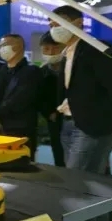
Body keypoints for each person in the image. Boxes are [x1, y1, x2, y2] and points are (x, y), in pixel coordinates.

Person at [42, 5, 112, 221]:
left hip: (92, 126)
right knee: (95, 183)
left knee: (79, 184)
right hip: (71, 123)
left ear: (77, 22)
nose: (53, 29)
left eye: (57, 23)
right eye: (50, 25)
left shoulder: (96, 48)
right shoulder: (68, 53)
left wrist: (106, 122)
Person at [0, 34, 42, 159]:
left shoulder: (31, 71)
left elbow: (21, 98)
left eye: (4, 45)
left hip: (20, 127)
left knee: (20, 161)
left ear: (18, 47)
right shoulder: (0, 71)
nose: (0, 49)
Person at [38, 31, 66, 167]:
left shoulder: (74, 68)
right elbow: (39, 97)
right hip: (53, 119)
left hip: (76, 117)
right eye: (46, 49)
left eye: (56, 48)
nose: (51, 52)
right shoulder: (41, 72)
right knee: (58, 152)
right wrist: (48, 112)